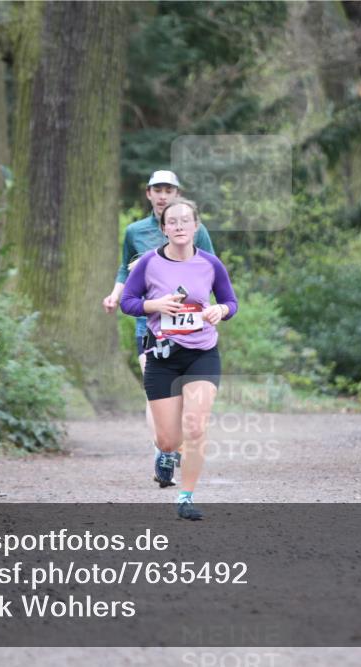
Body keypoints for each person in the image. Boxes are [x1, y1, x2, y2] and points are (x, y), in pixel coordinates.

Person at [120, 198, 237, 520]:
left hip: (202, 354)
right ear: (164, 228)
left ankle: (185, 497)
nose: (180, 226)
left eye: (186, 221)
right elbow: (127, 302)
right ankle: (165, 453)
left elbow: (230, 301)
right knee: (168, 439)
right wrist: (154, 306)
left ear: (196, 227)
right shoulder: (148, 263)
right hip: (162, 356)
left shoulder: (211, 263)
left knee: (196, 425)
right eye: (173, 222)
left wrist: (221, 310)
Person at [102, 170, 216, 487]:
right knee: (155, 393)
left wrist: (211, 308)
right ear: (148, 194)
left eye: (168, 189)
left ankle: (171, 441)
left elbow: (210, 267)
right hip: (149, 326)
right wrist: (115, 294)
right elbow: (123, 269)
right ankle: (163, 452)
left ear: (176, 193)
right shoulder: (135, 231)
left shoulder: (197, 229)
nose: (163, 195)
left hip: (190, 328)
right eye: (157, 190)